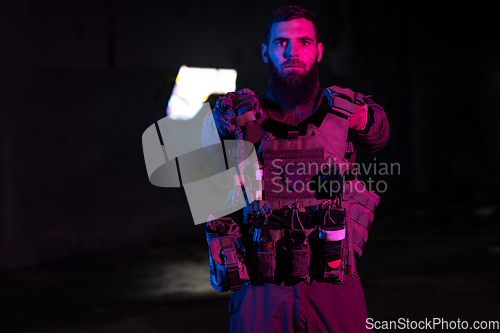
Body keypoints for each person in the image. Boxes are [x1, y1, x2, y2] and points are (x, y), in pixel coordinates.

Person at [202, 5, 389, 333]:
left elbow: (379, 133)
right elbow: (203, 168)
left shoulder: (348, 110)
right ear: (266, 52)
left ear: (317, 51)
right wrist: (218, 127)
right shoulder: (238, 115)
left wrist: (362, 117)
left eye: (303, 42)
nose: (292, 52)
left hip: (331, 285)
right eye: (281, 43)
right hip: (262, 289)